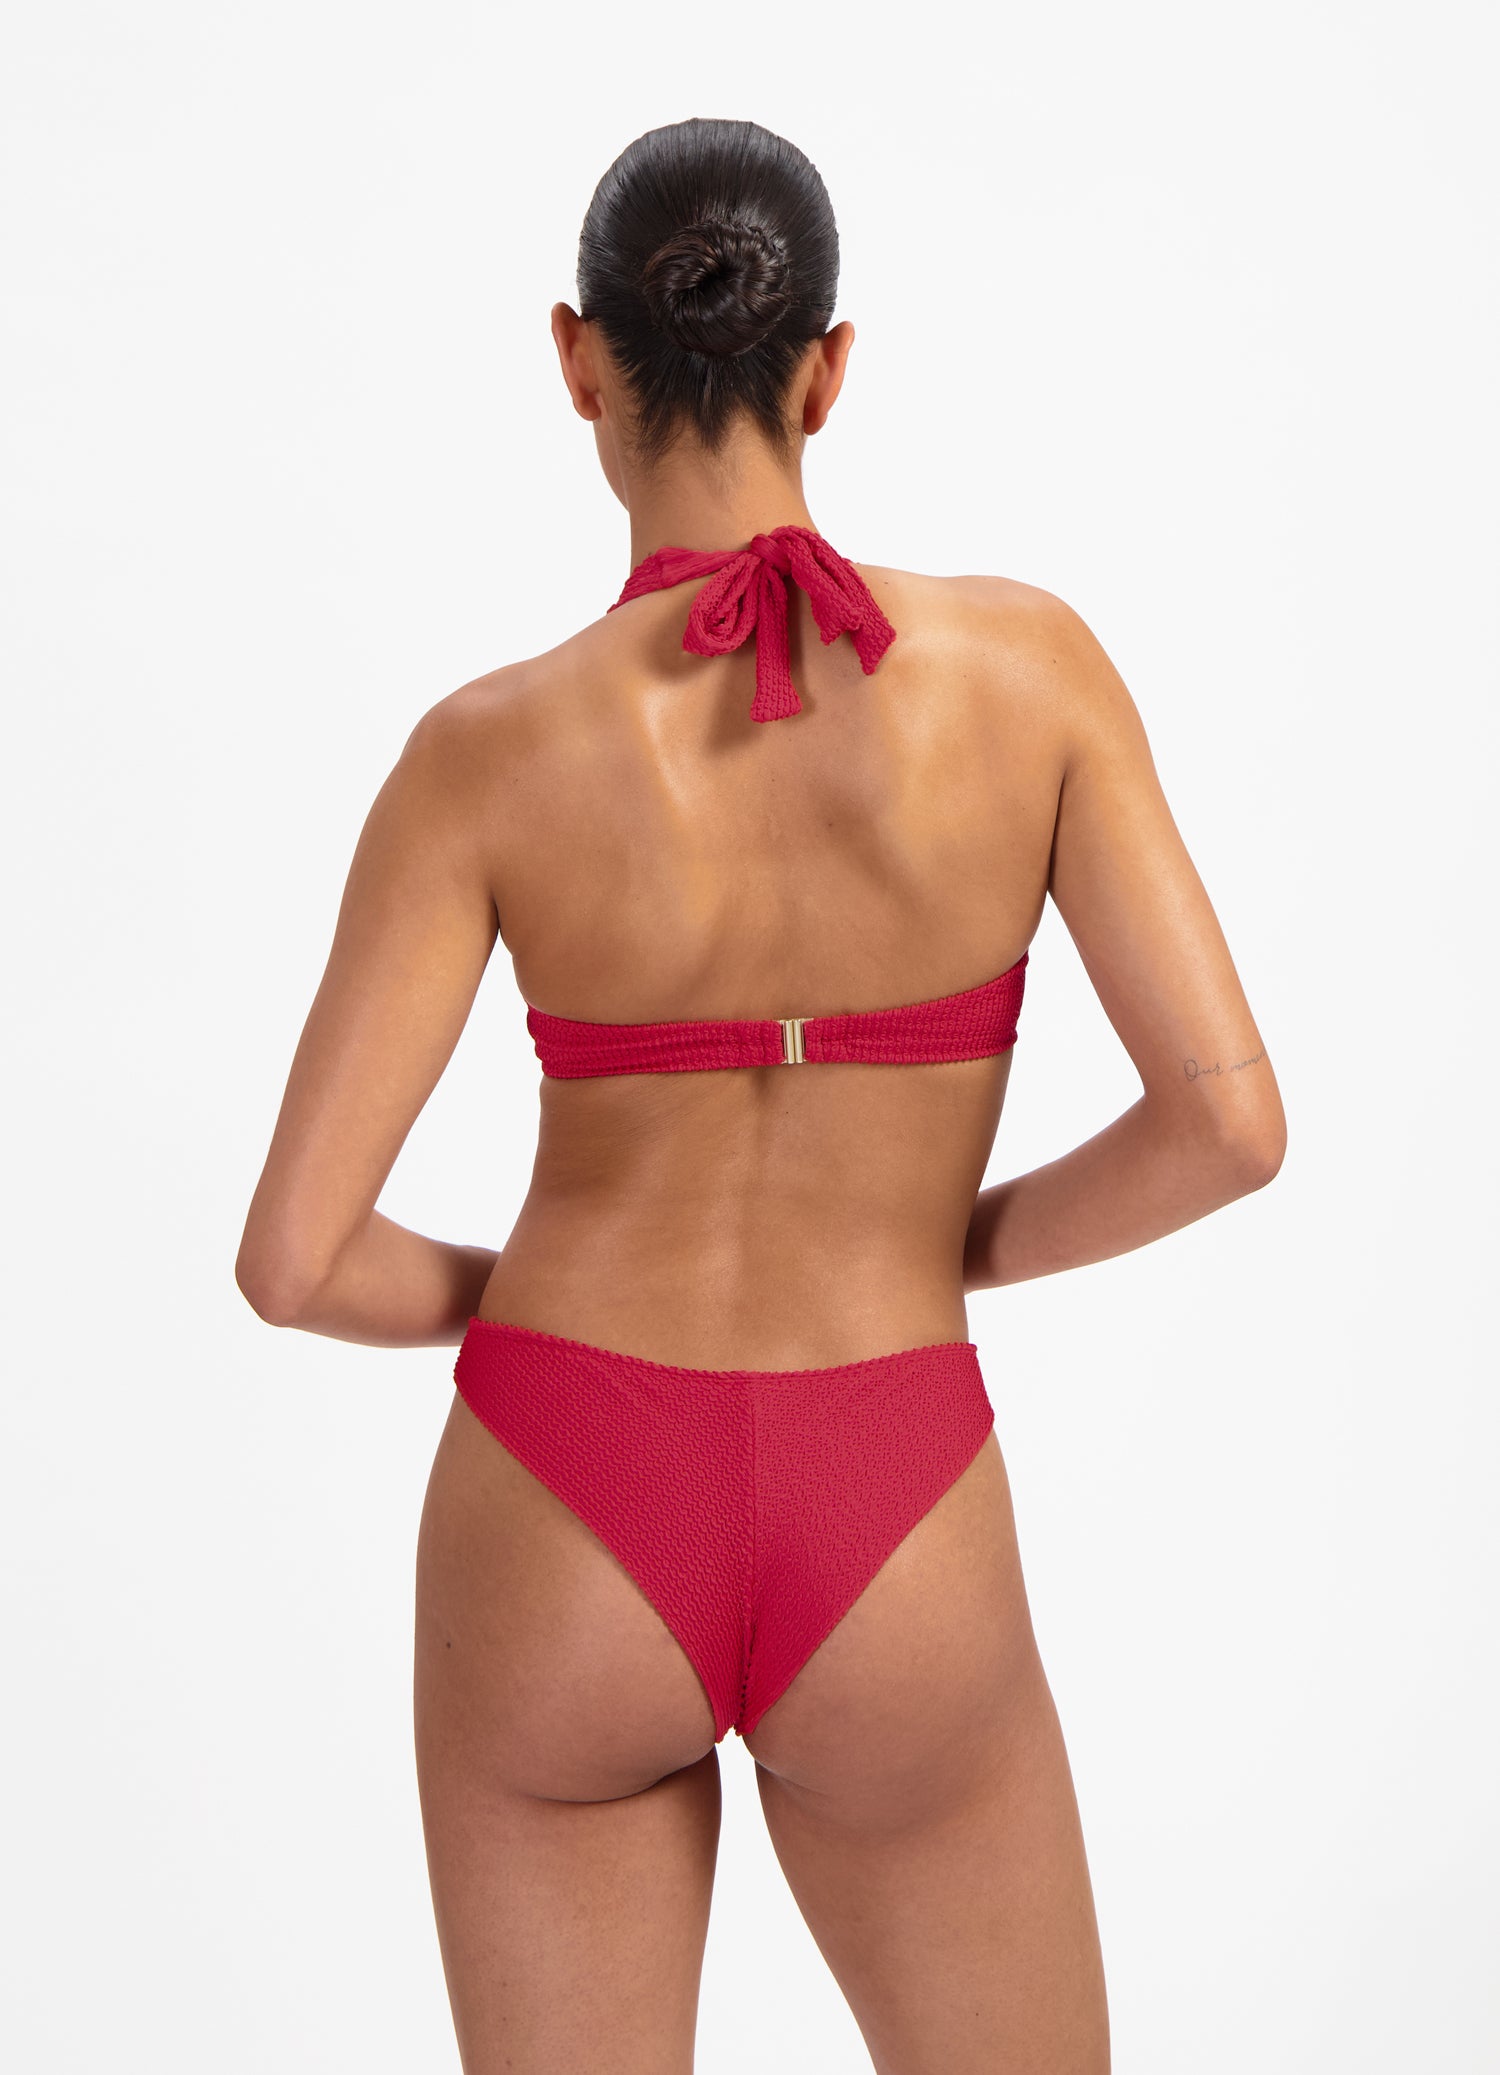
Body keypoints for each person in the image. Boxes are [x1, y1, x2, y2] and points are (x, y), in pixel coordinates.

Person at [237, 115, 1286, 2075]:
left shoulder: (480, 755)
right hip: (893, 1475)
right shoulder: (1034, 674)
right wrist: (947, 1241)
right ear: (830, 367)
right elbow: (1228, 1124)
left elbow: (292, 1263)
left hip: (561, 1483)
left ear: (578, 361)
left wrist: (551, 1311)